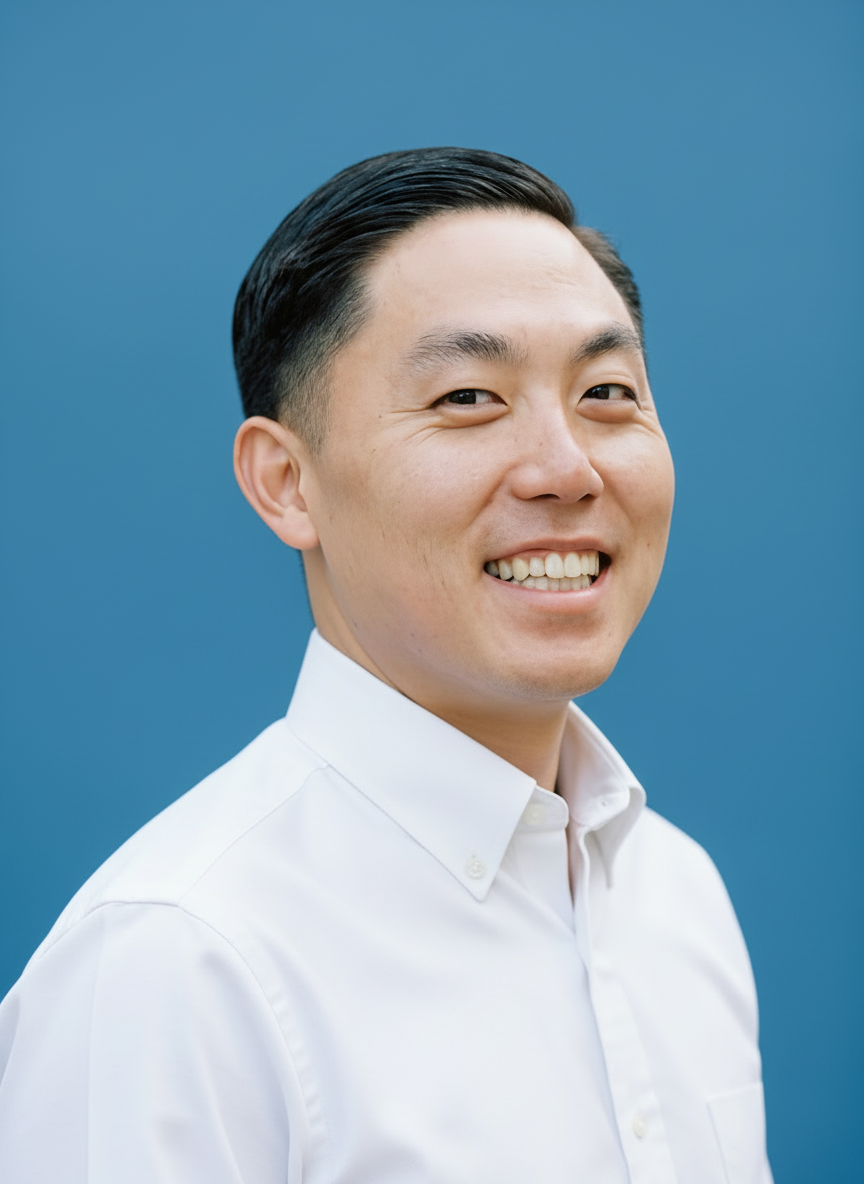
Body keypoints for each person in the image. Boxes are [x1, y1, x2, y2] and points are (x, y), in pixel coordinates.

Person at [0, 148, 772, 1183]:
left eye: (606, 391)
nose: (567, 468)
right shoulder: (180, 960)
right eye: (468, 397)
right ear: (287, 482)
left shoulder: (674, 895)